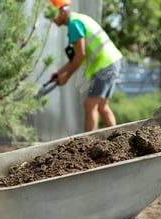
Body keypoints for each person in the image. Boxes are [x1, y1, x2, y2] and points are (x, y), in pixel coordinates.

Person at [46, 0, 123, 132]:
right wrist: (60, 72)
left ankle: (88, 144)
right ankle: (118, 138)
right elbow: (76, 56)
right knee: (102, 106)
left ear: (62, 11)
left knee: (90, 104)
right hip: (111, 62)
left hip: (104, 65)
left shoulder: (74, 24)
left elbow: (80, 55)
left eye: (53, 15)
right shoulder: (79, 19)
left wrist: (66, 77)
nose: (52, 20)